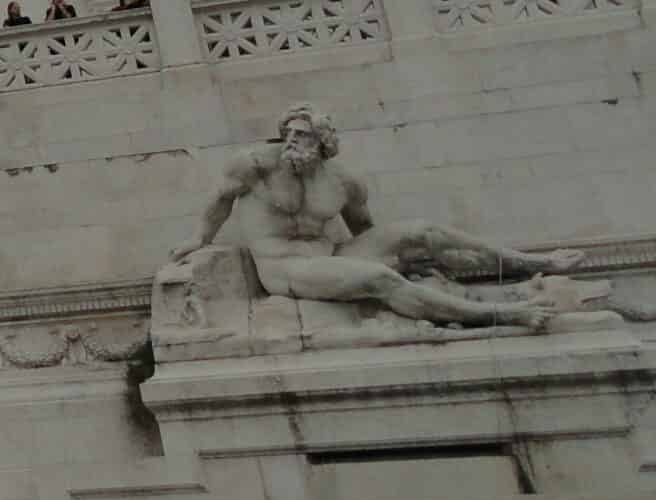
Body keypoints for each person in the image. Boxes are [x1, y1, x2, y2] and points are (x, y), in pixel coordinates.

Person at [171, 104, 585, 330]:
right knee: (380, 280)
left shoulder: (342, 182)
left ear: (324, 143)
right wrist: (199, 239)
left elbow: (365, 230)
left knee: (423, 230)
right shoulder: (257, 164)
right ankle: (502, 316)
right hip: (284, 268)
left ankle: (531, 263)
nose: (292, 141)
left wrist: (400, 250)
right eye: (290, 133)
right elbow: (220, 200)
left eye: (303, 135)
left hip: (332, 253)